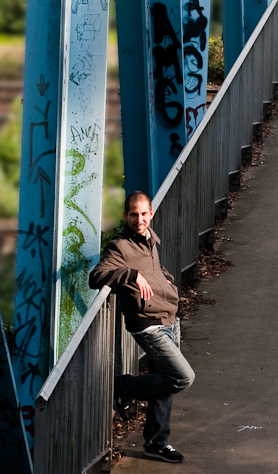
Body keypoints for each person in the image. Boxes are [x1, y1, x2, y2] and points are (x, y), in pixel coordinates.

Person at [89, 191, 194, 464]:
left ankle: (157, 442)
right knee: (183, 377)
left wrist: (168, 285)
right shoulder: (119, 246)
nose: (140, 219)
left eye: (144, 213)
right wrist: (131, 275)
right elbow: (97, 276)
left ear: (151, 214)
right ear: (125, 215)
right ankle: (122, 386)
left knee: (165, 385)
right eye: (134, 214)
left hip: (168, 317)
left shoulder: (150, 239)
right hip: (147, 325)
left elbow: (156, 271)